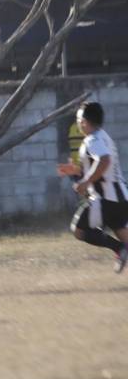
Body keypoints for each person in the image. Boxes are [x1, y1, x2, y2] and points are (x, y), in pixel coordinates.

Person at [56, 102, 128, 273]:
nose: (78, 123)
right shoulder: (103, 136)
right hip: (120, 197)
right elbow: (100, 164)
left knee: (78, 230)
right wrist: (76, 170)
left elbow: (104, 161)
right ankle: (121, 248)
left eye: (79, 119)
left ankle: (119, 249)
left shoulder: (92, 139)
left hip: (105, 199)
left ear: (85, 121)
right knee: (124, 236)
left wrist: (86, 181)